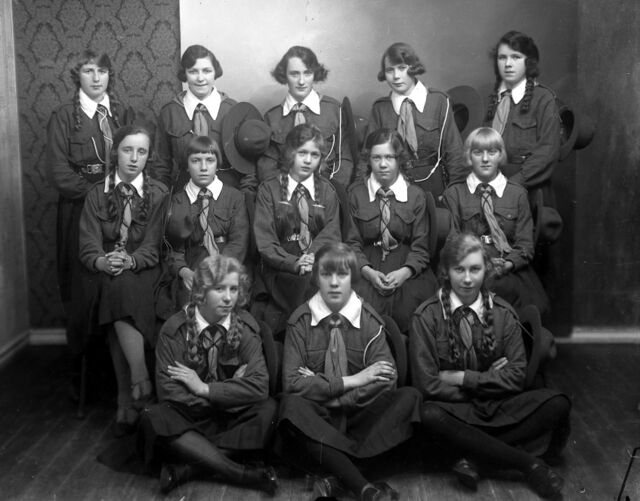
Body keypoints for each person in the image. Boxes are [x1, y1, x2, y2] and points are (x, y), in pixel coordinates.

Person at [409, 232, 571, 498]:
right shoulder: (426, 316)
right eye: (459, 269)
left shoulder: (503, 313)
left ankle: (475, 459)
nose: (467, 279)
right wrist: (488, 382)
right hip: (457, 409)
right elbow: (427, 384)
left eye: (475, 269)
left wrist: (463, 378)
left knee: (558, 403)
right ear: (446, 271)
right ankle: (528, 464)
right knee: (429, 415)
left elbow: (516, 376)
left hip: (495, 405)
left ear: (486, 270)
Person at [279, 243, 421, 500]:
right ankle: (363, 485)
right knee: (291, 406)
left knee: (409, 397)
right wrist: (353, 380)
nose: (334, 283)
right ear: (316, 278)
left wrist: (335, 397)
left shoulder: (369, 320)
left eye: (342, 275)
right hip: (319, 417)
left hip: (357, 415)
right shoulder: (300, 322)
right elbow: (292, 383)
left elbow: (386, 379)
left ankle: (337, 474)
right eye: (326, 274)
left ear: (353, 279)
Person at [139, 255, 278, 495]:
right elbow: (170, 393)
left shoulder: (246, 327)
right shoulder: (174, 330)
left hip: (232, 418)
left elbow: (259, 386)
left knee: (269, 409)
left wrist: (205, 389)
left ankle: (189, 469)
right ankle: (241, 473)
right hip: (191, 419)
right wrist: (231, 392)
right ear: (201, 292)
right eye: (219, 289)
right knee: (154, 416)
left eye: (233, 289)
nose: (228, 297)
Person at [46, 50, 134, 372]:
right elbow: (59, 172)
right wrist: (99, 196)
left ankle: (121, 369)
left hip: (122, 207)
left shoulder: (123, 112)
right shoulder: (63, 117)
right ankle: (84, 371)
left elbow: (139, 157)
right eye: (88, 71)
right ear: (77, 76)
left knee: (122, 279)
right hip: (80, 209)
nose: (97, 78)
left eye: (102, 71)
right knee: (84, 286)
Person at [79, 125, 169, 433]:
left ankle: (126, 398)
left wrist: (131, 260)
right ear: (115, 151)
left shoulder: (159, 193)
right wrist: (102, 261)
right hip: (106, 272)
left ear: (148, 156)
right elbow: (88, 243)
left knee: (120, 288)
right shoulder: (97, 193)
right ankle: (139, 380)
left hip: (146, 271)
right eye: (127, 150)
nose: (133, 158)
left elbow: (153, 246)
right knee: (115, 285)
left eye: (141, 152)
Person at [443, 127, 549, 314]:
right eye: (478, 152)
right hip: (468, 269)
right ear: (469, 156)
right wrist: (478, 264)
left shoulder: (517, 194)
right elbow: (452, 241)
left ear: (500, 155)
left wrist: (507, 264)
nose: (485, 159)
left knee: (521, 305)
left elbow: (525, 245)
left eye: (492, 152)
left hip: (508, 269)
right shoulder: (454, 194)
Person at [253, 124, 341, 336]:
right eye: (302, 153)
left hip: (316, 265)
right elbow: (265, 241)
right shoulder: (269, 189)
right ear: (289, 153)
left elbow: (331, 233)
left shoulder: (327, 191)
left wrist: (311, 257)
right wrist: (294, 263)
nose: (308, 160)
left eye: (314, 155)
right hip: (281, 269)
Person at [347, 128, 437, 332]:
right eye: (376, 157)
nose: (383, 164)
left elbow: (421, 247)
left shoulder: (416, 196)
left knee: (412, 310)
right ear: (368, 160)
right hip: (367, 264)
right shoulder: (355, 194)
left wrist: (405, 273)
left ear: (400, 159)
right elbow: (351, 243)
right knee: (360, 310)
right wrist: (368, 272)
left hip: (405, 265)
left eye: (389, 157)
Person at [357, 42, 466, 202]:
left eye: (402, 68)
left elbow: (455, 153)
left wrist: (453, 195)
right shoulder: (380, 109)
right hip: (393, 189)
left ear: (413, 68)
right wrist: (358, 193)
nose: (396, 76)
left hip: (434, 186)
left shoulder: (439, 101)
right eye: (389, 70)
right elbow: (367, 157)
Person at [157, 135, 249, 319]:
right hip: (192, 265)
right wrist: (184, 271)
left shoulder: (234, 197)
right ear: (187, 165)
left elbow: (239, 241)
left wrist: (220, 269)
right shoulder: (177, 201)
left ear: (217, 163)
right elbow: (172, 248)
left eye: (210, 160)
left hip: (227, 262)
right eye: (196, 161)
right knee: (191, 304)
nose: (204, 167)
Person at [483, 31, 561, 211]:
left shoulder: (544, 99)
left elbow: (547, 153)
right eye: (502, 57)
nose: (508, 64)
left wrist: (511, 185)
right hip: (493, 192)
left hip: (530, 194)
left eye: (516, 57)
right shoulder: (493, 100)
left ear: (529, 62)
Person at [258, 46, 354, 186]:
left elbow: (344, 161)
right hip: (285, 192)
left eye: (307, 73)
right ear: (284, 75)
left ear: (315, 74)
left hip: (327, 191)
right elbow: (267, 168)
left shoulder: (334, 111)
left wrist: (328, 192)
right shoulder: (272, 118)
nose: (301, 81)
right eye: (294, 74)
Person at [156, 45, 248, 191]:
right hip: (184, 193)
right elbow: (161, 166)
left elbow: (248, 167)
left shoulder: (233, 110)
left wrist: (244, 198)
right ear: (184, 74)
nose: (200, 78)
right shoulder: (170, 112)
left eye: (206, 71)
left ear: (215, 72)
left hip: (228, 193)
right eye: (193, 71)